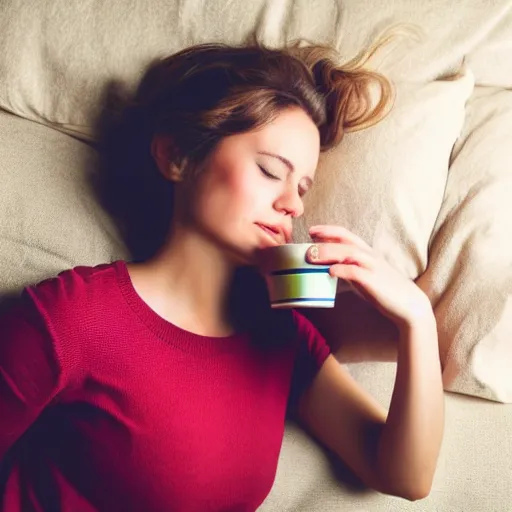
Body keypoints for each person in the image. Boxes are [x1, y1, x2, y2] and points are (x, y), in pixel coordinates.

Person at [0, 38, 444, 512]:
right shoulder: (69, 320)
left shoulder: (280, 335)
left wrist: (415, 319)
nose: (292, 204)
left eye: (303, 187)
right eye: (272, 171)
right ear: (176, 157)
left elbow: (405, 475)